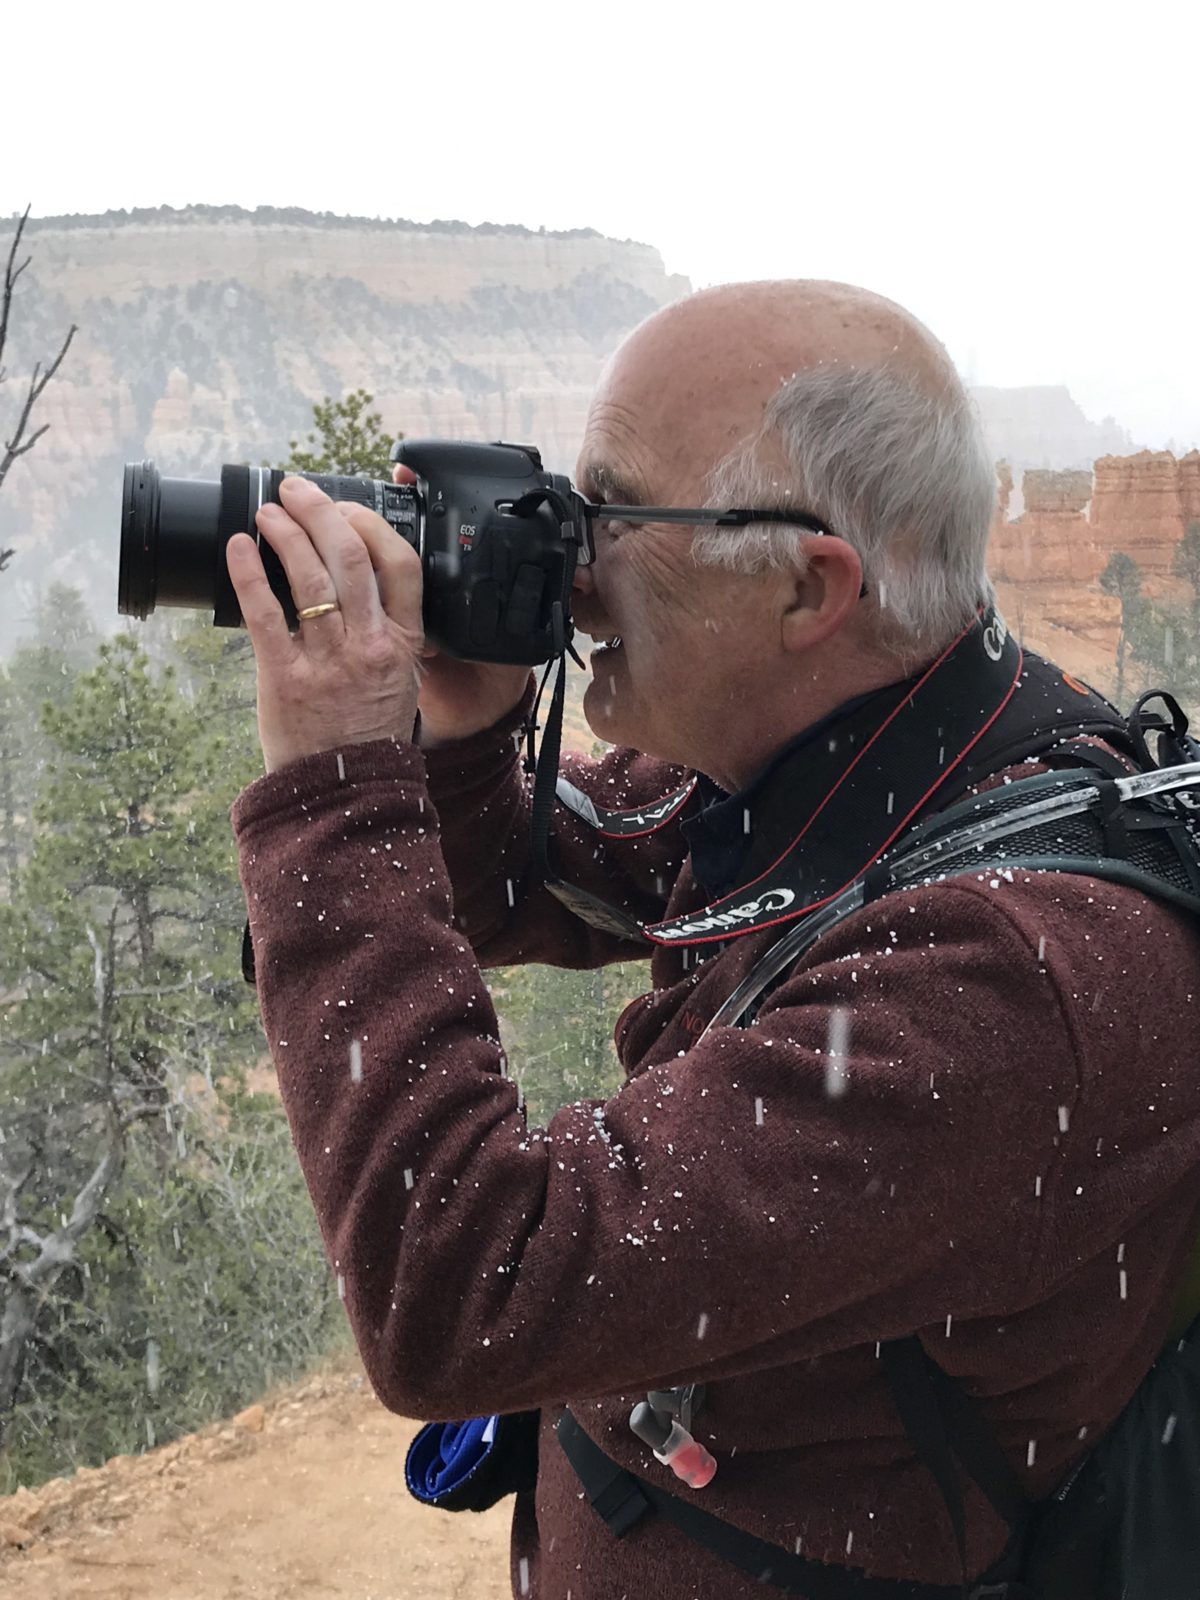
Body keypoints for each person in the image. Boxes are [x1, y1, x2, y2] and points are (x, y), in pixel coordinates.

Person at [227, 281, 1200, 1598]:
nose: (568, 567)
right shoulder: (852, 762)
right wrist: (457, 734)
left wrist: (338, 788)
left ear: (809, 589)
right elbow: (521, 885)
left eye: (608, 516)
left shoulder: (1013, 989)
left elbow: (464, 1287)